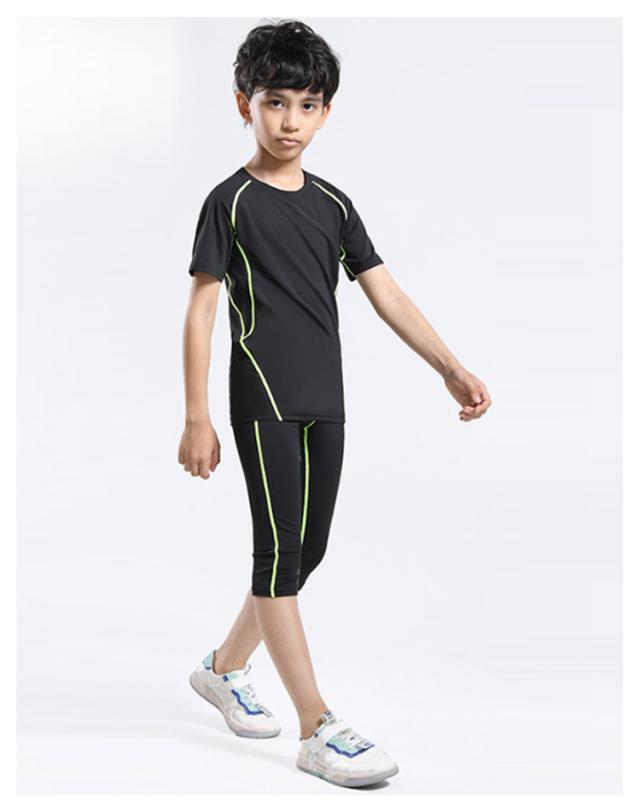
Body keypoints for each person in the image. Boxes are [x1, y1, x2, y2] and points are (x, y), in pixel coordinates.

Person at [178, 19, 492, 789]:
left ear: (325, 111)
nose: (291, 121)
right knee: (277, 555)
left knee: (305, 552)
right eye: (275, 102)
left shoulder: (334, 204)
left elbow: (388, 294)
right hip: (264, 397)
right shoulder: (230, 202)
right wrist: (196, 416)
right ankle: (317, 726)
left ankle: (223, 668)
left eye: (308, 105)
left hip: (327, 399)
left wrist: (449, 367)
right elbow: (201, 311)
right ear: (244, 105)